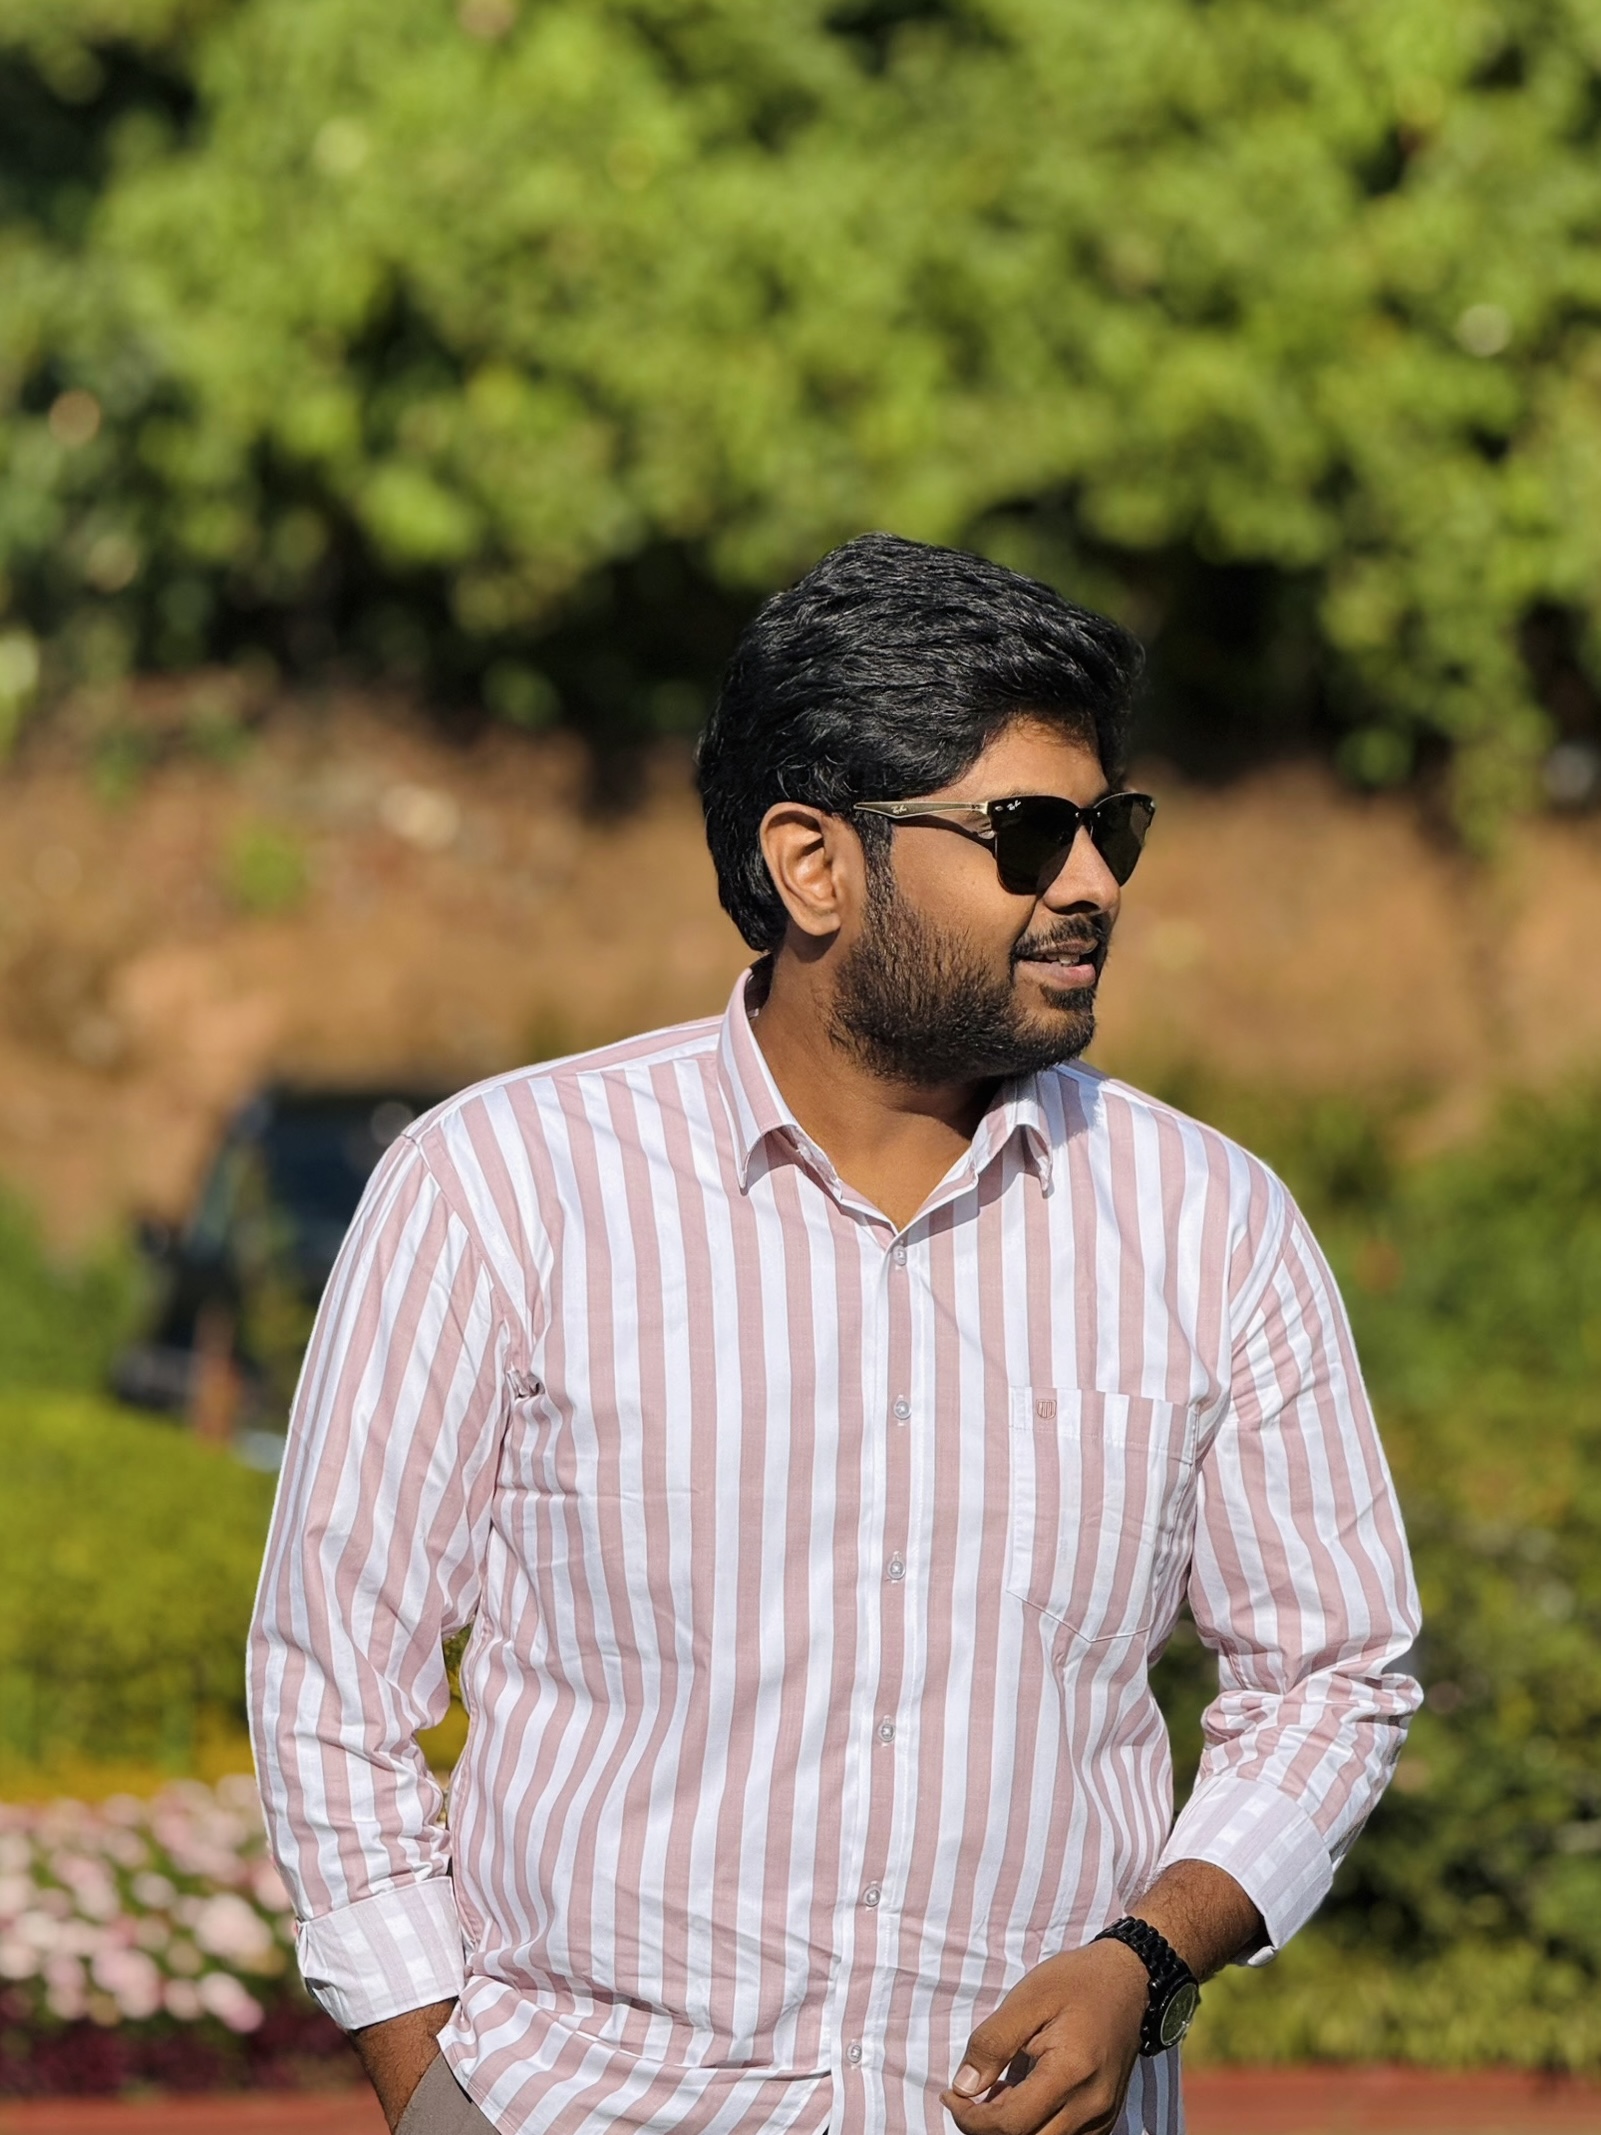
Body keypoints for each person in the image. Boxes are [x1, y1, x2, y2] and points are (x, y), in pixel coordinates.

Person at [249, 533, 1421, 2135]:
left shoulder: (1205, 1223)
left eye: (1113, 829)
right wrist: (434, 2091)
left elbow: (1332, 1671)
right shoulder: (501, 1189)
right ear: (811, 864)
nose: (1091, 882)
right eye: (1027, 834)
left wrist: (1147, 1958)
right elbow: (332, 1679)